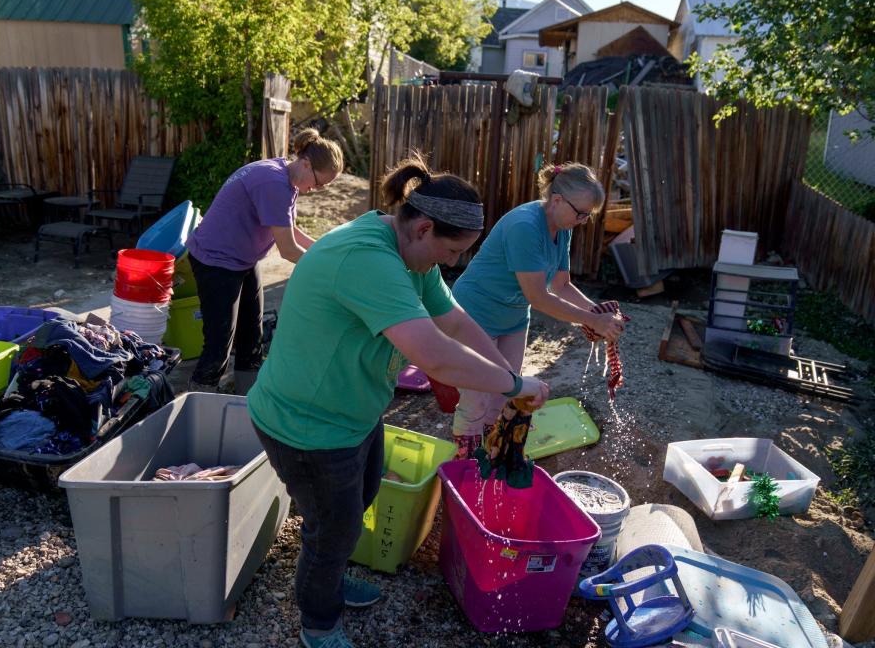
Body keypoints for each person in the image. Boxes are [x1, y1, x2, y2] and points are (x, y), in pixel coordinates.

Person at [247, 157, 550, 648]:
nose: (451, 263)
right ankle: (318, 624)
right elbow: (434, 353)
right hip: (305, 425)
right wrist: (513, 388)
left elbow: (452, 320)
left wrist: (510, 373)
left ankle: (331, 573)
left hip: (352, 413)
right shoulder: (367, 259)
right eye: (451, 251)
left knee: (359, 501)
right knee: (331, 531)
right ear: (424, 227)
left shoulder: (408, 251)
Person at [449, 162, 627, 458]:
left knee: (506, 388)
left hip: (513, 317)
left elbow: (561, 285)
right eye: (580, 212)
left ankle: (490, 450)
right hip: (475, 313)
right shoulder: (525, 226)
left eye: (588, 215)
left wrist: (600, 315)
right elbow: (539, 297)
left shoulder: (562, 225)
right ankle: (465, 459)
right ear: (556, 200)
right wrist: (593, 320)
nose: (583, 220)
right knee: (476, 396)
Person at [186, 128, 343, 394]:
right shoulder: (273, 183)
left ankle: (248, 400)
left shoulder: (287, 176)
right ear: (306, 163)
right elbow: (288, 250)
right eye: (318, 183)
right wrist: (328, 271)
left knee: (252, 335)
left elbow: (289, 228)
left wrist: (322, 250)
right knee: (220, 342)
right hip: (216, 261)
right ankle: (199, 400)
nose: (315, 190)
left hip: (242, 260)